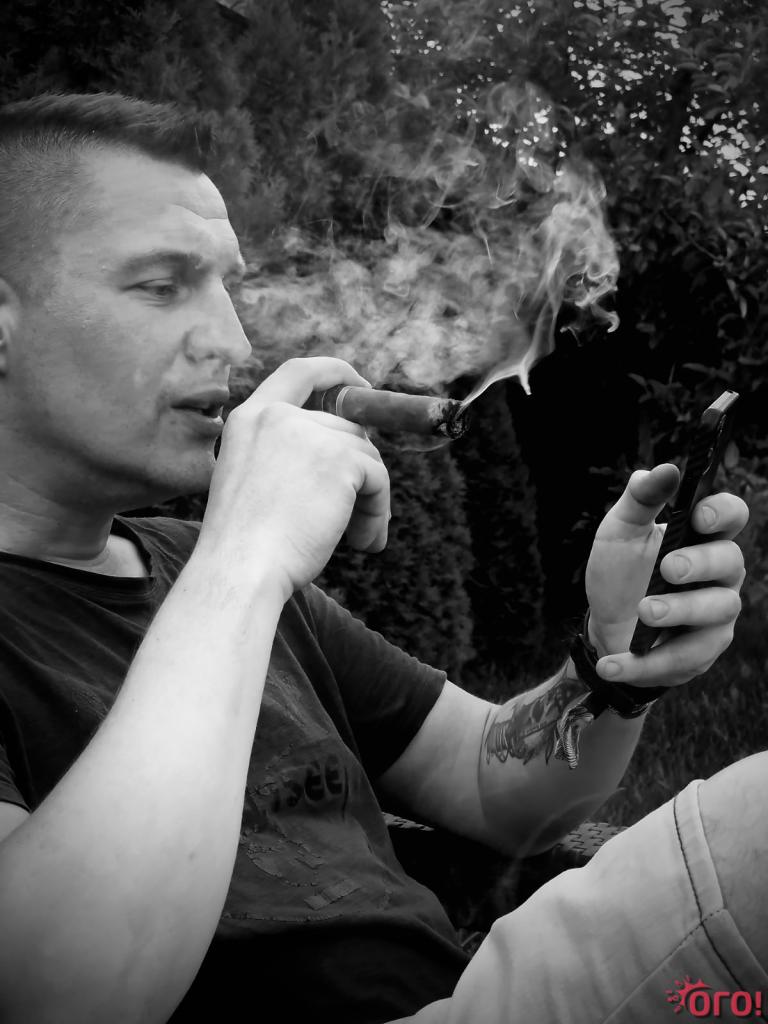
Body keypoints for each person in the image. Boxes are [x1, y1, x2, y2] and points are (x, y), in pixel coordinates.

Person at [0, 91, 761, 1024]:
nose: (234, 342)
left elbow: (494, 784)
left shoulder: (199, 566)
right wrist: (246, 557)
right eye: (162, 285)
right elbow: (57, 992)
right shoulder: (232, 573)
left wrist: (613, 658)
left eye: (227, 288)